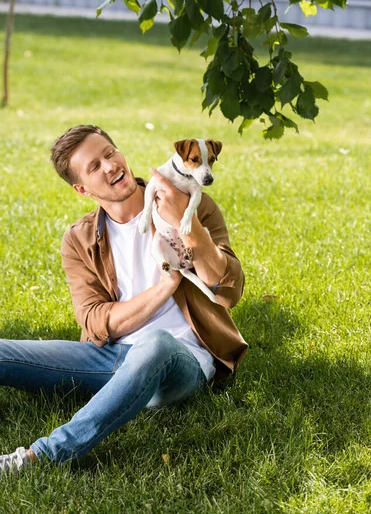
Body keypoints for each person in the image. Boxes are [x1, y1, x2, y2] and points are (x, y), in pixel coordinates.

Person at [0, 125, 247, 474]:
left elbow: (229, 289)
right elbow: (96, 322)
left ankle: (40, 457)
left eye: (110, 153)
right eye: (95, 166)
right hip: (109, 357)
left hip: (180, 360)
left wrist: (184, 225)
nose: (110, 165)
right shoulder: (79, 239)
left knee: (155, 344)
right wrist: (165, 286)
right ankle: (122, 387)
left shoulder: (191, 202)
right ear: (82, 189)